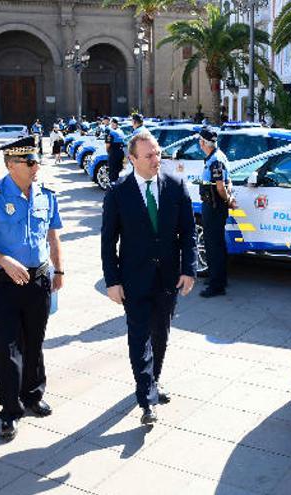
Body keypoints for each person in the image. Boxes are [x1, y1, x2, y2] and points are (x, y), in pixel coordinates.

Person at [0, 136, 64, 440]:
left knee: (34, 343)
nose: (37, 166)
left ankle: (33, 395)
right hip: (4, 285)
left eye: (37, 161)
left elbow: (52, 235)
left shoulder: (46, 194)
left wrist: (58, 270)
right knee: (7, 349)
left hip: (38, 282)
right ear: (11, 165)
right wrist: (3, 260)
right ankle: (10, 410)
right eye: (30, 162)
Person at [100, 132, 197, 425]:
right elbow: (108, 241)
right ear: (132, 159)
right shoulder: (118, 192)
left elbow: (189, 233)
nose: (157, 160)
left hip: (168, 278)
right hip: (133, 279)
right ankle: (146, 398)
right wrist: (112, 281)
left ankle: (152, 381)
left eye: (158, 153)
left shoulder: (175, 186)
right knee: (139, 336)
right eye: (149, 155)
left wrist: (188, 269)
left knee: (161, 334)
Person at [197, 128, 236, 298]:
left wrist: (228, 200)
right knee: (216, 244)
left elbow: (221, 186)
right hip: (214, 205)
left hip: (214, 206)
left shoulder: (215, 160)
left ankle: (216, 285)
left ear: (204, 143)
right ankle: (217, 277)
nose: (199, 143)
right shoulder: (218, 156)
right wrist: (229, 197)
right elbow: (229, 181)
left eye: (200, 140)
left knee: (214, 246)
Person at [105, 118, 127, 183]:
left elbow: (107, 144)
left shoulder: (111, 132)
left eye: (111, 123)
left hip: (113, 152)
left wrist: (108, 152)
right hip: (121, 152)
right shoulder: (121, 132)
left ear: (113, 123)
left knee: (112, 169)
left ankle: (112, 185)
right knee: (119, 168)